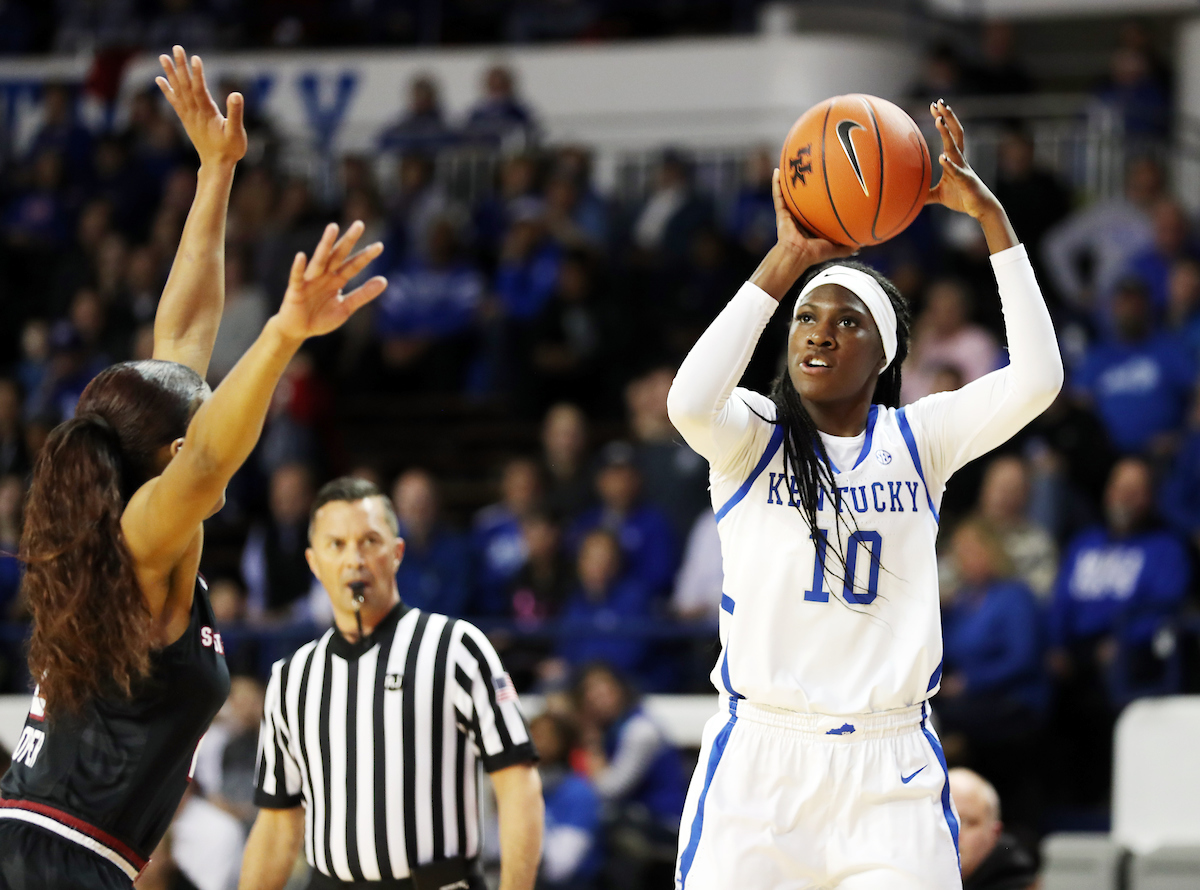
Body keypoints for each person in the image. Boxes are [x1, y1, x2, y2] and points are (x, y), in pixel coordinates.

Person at [0, 46, 388, 889]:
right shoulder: (143, 536)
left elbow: (180, 337)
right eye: (201, 400)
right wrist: (284, 334)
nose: (204, 377)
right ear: (169, 457)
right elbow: (211, 459)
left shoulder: (130, 510)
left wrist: (215, 172)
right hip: (51, 862)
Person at [665, 100, 1062, 889]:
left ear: (884, 356)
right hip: (762, 761)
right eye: (807, 317)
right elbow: (686, 401)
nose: (817, 331)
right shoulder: (752, 435)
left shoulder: (921, 440)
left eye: (847, 321)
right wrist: (784, 263)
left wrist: (991, 217)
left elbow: (1039, 378)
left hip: (890, 769)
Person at [240, 477, 543, 890]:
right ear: (314, 563)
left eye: (369, 541)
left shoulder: (456, 647)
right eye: (337, 544)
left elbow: (518, 786)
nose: (355, 559)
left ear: (397, 553)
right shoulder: (291, 678)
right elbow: (277, 824)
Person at [530, 712, 602, 890]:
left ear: (564, 743)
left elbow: (560, 869)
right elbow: (493, 853)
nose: (536, 742)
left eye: (545, 736)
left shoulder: (578, 792)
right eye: (532, 734)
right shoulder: (521, 789)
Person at [948, 769, 1037, 890]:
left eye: (967, 822)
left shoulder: (1018, 882)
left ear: (995, 833)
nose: (953, 833)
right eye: (944, 821)